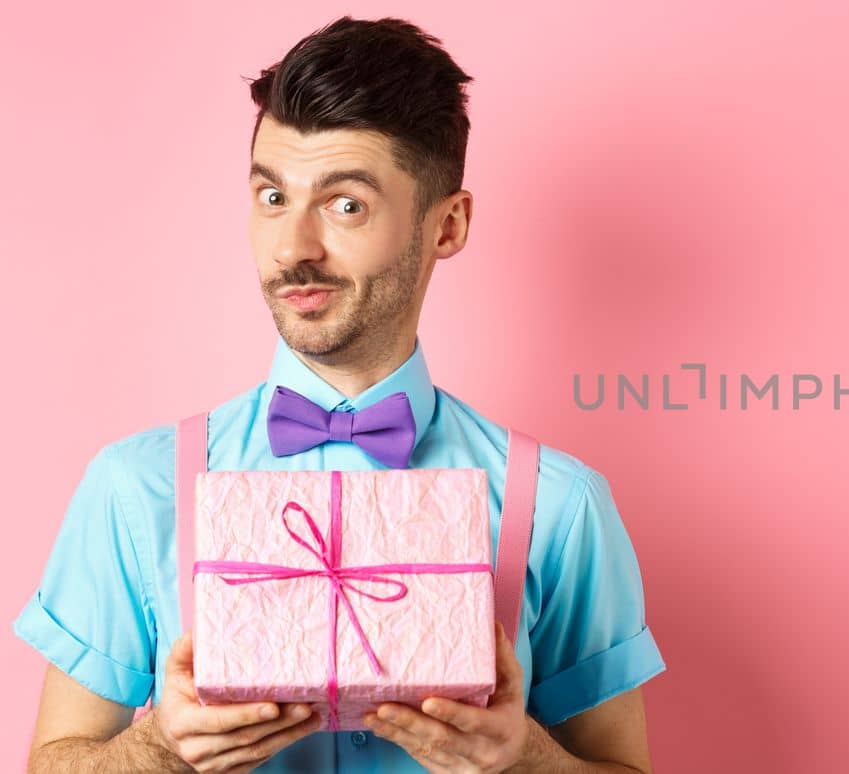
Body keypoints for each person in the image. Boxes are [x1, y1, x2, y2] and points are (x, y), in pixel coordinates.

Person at [12, 16, 663, 773]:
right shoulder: (136, 488)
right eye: (271, 196)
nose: (293, 248)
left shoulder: (558, 504)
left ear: (447, 226)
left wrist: (524, 757)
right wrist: (159, 747)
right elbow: (53, 761)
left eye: (345, 203)